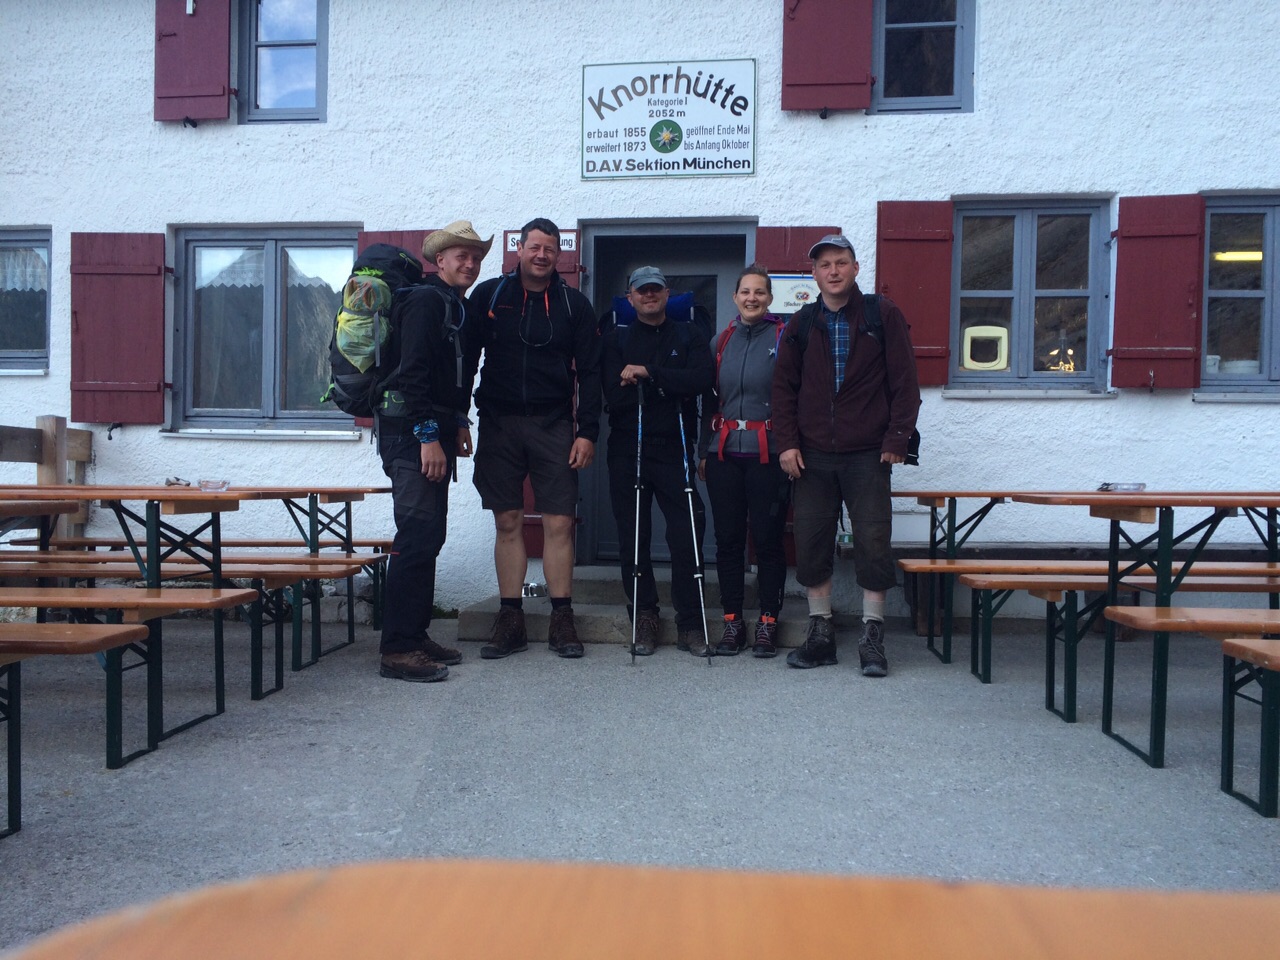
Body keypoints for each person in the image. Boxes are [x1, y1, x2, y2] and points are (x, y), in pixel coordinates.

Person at [771, 234, 920, 677]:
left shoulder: (882, 314)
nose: (833, 271)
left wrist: (896, 439)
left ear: (856, 268)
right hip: (812, 455)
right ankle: (821, 634)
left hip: (868, 454)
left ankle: (873, 637)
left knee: (874, 541)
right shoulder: (801, 323)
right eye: (824, 265)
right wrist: (788, 443)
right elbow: (784, 391)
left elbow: (905, 385)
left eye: (841, 263)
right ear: (813, 274)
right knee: (813, 541)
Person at [470, 218, 602, 660]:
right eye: (535, 247)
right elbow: (465, 361)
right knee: (507, 523)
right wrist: (455, 420)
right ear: (520, 249)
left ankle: (562, 619)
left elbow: (590, 373)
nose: (542, 255)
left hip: (553, 426)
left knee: (559, 523)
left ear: (559, 256)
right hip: (499, 423)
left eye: (550, 249)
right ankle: (511, 619)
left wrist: (587, 431)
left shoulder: (574, 305)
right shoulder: (490, 296)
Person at [375, 221, 490, 682]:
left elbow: (451, 376)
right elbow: (412, 374)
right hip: (409, 435)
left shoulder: (450, 305)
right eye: (459, 255)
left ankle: (415, 633)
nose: (469, 263)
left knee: (430, 537)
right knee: (417, 537)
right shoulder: (425, 301)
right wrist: (426, 435)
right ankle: (397, 649)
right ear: (438, 260)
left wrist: (458, 422)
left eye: (475, 257)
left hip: (432, 431)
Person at [601, 266, 714, 657]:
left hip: (674, 447)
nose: (649, 296)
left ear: (667, 294)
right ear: (630, 298)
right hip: (627, 446)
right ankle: (645, 614)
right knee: (634, 534)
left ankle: (690, 621)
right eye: (641, 291)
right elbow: (614, 397)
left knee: (686, 531)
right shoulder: (615, 339)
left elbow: (701, 380)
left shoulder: (689, 334)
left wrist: (650, 374)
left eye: (656, 290)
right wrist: (671, 383)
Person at [697, 265, 791, 658]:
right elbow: (706, 400)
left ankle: (768, 622)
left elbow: (794, 399)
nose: (752, 298)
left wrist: (791, 447)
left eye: (759, 292)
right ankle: (732, 622)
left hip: (768, 456)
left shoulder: (785, 339)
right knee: (729, 541)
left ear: (770, 299)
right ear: (734, 297)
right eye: (745, 292)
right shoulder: (722, 340)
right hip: (723, 456)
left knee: (768, 540)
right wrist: (703, 450)